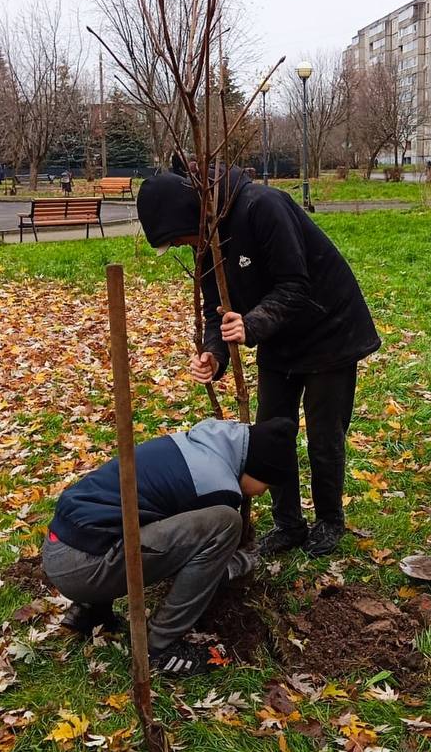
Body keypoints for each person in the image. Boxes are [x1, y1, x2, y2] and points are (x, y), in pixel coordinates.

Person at [136, 171, 380, 559]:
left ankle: (330, 520)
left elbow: (295, 284)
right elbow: (216, 311)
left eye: (180, 238)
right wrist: (213, 354)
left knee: (324, 435)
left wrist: (251, 324)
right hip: (277, 339)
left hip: (329, 332)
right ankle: (288, 523)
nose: (183, 246)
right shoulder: (206, 246)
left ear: (191, 216)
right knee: (271, 433)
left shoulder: (262, 206)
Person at [42, 416, 298, 675]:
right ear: (257, 468)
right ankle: (160, 647)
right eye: (267, 484)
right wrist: (238, 564)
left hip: (61, 544)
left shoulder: (199, 444)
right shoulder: (217, 486)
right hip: (83, 567)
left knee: (134, 510)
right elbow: (196, 563)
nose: (263, 492)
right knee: (226, 522)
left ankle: (91, 609)